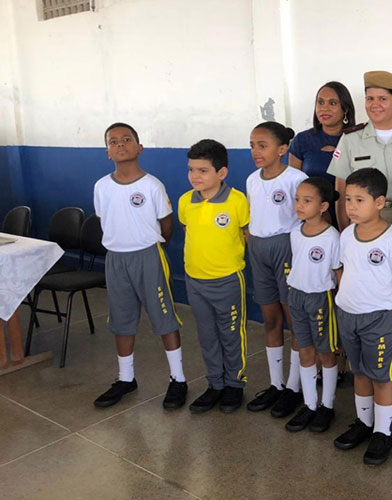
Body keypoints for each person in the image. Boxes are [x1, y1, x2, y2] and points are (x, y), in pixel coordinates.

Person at [93, 122, 187, 409]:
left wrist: (150, 246)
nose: (120, 144)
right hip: (116, 258)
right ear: (108, 151)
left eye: (126, 139)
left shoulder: (151, 185)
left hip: (148, 256)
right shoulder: (102, 186)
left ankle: (178, 378)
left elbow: (166, 225)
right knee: (121, 320)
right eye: (113, 141)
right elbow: (103, 220)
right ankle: (125, 378)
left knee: (163, 317)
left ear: (139, 147)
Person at [332, 168, 392, 465]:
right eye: (347, 199)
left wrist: (381, 296)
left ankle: (382, 432)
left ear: (380, 202)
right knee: (360, 371)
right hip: (349, 315)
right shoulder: (346, 234)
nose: (351, 207)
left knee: (381, 376)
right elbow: (341, 267)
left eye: (359, 200)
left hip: (379, 319)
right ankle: (363, 422)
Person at [178, 139, 249, 414]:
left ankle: (234, 384)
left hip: (228, 280)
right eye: (191, 169)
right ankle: (215, 384)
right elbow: (188, 231)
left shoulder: (237, 200)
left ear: (221, 173)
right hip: (195, 281)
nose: (195, 176)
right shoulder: (186, 201)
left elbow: (246, 234)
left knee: (231, 334)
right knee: (207, 336)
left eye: (203, 170)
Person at [245, 122, 308, 419]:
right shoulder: (251, 180)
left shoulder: (296, 179)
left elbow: (306, 219)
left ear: (282, 149)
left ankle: (295, 387)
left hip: (287, 249)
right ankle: (276, 383)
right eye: (252, 145)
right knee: (270, 318)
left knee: (293, 317)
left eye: (263, 145)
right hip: (258, 249)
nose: (256, 151)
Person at [327, 71, 392, 236]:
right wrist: (345, 232)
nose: (375, 104)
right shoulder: (350, 139)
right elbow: (341, 189)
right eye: (370, 99)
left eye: (383, 99)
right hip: (364, 221)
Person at [284, 178, 341, 433]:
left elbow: (338, 273)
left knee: (325, 353)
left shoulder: (332, 237)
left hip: (321, 298)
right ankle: (309, 404)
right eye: (297, 199)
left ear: (323, 206)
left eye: (307, 201)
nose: (299, 205)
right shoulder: (295, 232)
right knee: (304, 350)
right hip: (296, 296)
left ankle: (327, 405)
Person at [289, 81, 356, 228]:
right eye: (320, 102)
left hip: (352, 217)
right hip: (312, 219)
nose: (324, 108)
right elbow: (294, 185)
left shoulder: (357, 139)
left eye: (332, 103)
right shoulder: (302, 140)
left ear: (345, 109)